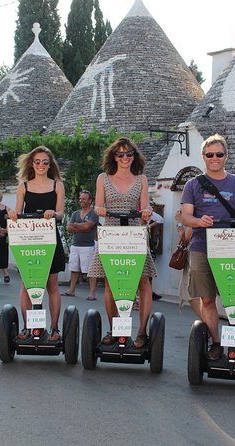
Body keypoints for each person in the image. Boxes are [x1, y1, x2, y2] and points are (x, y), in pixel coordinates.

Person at [181, 134, 235, 362]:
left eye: (219, 154)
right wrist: (199, 221)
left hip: (234, 246)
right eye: (210, 155)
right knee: (207, 300)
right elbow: (186, 217)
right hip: (202, 247)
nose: (215, 158)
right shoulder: (193, 185)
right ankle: (216, 343)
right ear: (203, 157)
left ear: (226, 156)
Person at [88, 137, 156, 349]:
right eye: (120, 154)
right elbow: (99, 203)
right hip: (112, 231)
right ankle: (115, 329)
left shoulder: (141, 179)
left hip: (134, 231)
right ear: (114, 157)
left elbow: (145, 206)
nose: (125, 158)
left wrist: (147, 211)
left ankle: (142, 331)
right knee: (110, 282)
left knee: (143, 281)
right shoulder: (103, 178)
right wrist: (99, 208)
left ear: (134, 157)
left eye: (129, 154)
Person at [9, 146, 66, 342]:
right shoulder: (23, 186)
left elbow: (61, 214)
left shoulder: (57, 185)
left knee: (52, 285)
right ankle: (28, 326)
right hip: (29, 240)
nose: (41, 165)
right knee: (27, 284)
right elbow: (17, 213)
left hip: (50, 239)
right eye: (37, 162)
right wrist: (13, 215)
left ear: (50, 165)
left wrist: (53, 214)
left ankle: (54, 328)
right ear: (31, 164)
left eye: (45, 162)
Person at [62, 190, 98, 300]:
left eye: (84, 198)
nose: (81, 200)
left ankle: (92, 293)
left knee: (90, 271)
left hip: (88, 246)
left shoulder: (94, 213)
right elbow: (69, 228)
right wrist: (81, 226)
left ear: (90, 201)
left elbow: (88, 227)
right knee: (74, 268)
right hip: (75, 245)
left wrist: (76, 225)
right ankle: (71, 290)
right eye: (80, 198)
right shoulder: (75, 213)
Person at [174, 209, 199, 317]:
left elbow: (184, 239)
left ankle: (209, 323)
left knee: (191, 295)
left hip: (195, 256)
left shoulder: (197, 214)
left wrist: (179, 222)